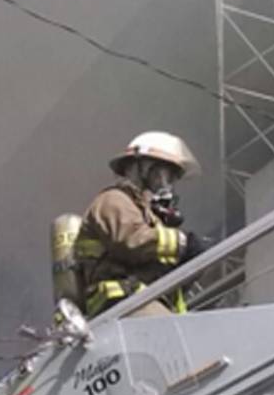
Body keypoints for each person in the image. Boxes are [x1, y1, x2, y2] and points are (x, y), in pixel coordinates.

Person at [74, 131, 215, 317]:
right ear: (141, 167)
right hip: (121, 301)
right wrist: (183, 243)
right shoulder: (113, 199)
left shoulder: (148, 216)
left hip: (144, 301)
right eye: (163, 174)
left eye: (171, 179)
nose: (166, 184)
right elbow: (131, 240)